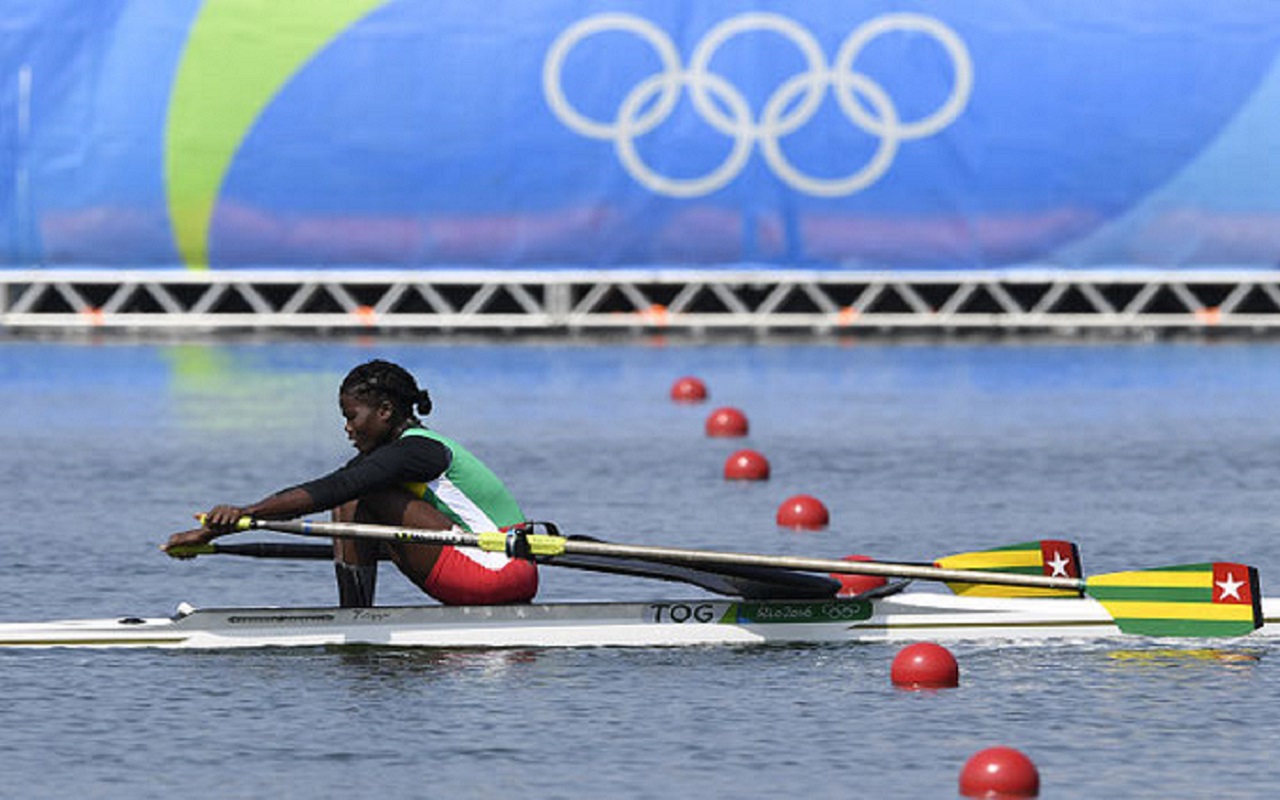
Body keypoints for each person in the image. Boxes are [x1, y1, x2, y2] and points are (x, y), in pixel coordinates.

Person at [163, 359, 538, 607]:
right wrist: (212, 533)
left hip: (498, 569)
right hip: (507, 569)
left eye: (351, 416)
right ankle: (357, 618)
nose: (347, 427)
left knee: (353, 498)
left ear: (385, 411)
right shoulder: (399, 455)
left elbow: (334, 489)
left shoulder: (416, 451)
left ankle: (355, 618)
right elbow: (337, 485)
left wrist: (244, 513)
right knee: (354, 498)